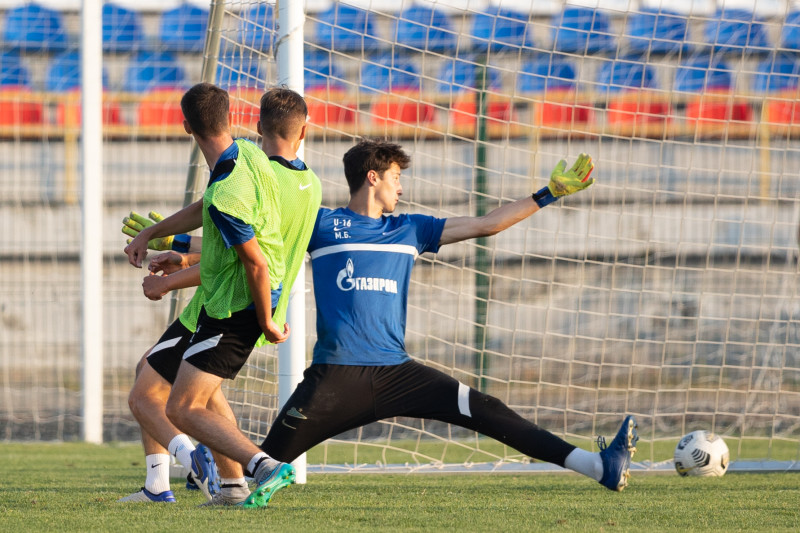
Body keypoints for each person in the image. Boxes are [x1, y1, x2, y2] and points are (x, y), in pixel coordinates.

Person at [144, 139, 638, 508]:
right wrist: (177, 250)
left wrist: (548, 193)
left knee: (488, 409)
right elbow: (253, 243)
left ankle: (599, 467)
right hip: (335, 380)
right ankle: (209, 475)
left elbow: (486, 224)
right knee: (261, 471)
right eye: (397, 176)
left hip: (399, 373)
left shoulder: (412, 229)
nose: (403, 186)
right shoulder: (321, 222)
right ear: (374, 176)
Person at [120, 85, 321, 506]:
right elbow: (214, 218)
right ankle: (228, 486)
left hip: (232, 306)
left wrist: (264, 317)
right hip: (228, 300)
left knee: (174, 405)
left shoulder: (231, 192)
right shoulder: (251, 158)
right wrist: (158, 236)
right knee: (191, 393)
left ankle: (250, 465)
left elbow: (253, 261)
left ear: (186, 126)